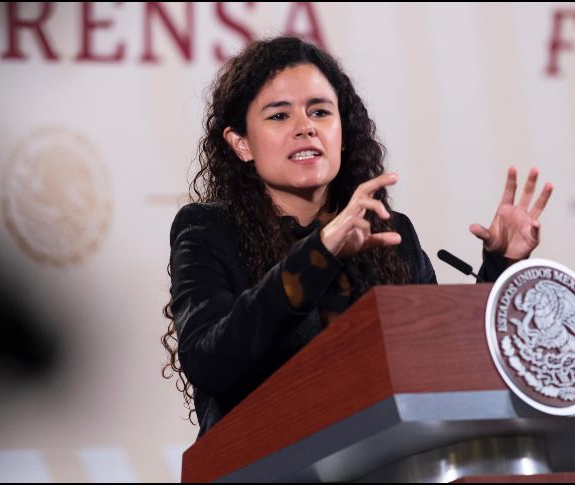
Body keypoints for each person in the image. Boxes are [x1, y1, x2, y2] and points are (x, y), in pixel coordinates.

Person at [161, 36, 553, 438]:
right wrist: (320, 253)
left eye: (320, 112)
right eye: (279, 116)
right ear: (241, 144)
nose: (305, 128)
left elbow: (443, 366)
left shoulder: (390, 231)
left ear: (342, 134)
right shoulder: (207, 230)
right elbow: (214, 363)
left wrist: (501, 268)